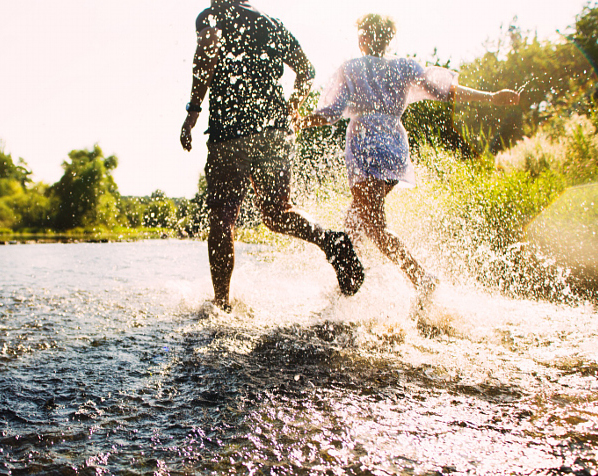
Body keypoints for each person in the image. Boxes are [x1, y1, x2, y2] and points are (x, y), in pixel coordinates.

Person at [295, 14, 521, 295]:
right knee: (355, 218)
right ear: (388, 39)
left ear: (363, 38)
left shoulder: (351, 67)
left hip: (366, 147)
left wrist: (298, 120)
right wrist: (491, 97)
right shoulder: (404, 67)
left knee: (375, 227)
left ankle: (420, 277)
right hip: (393, 147)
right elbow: (447, 91)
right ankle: (347, 286)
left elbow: (330, 113)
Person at [179, 0, 364, 311]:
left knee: (223, 219)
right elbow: (307, 70)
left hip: (229, 134)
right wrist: (290, 110)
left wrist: (193, 112)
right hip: (273, 131)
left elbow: (206, 58)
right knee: (278, 213)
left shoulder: (212, 16)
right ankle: (332, 241)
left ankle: (221, 305)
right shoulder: (272, 23)